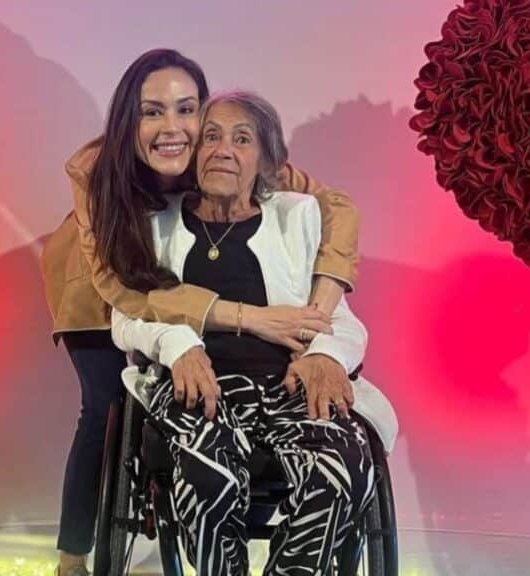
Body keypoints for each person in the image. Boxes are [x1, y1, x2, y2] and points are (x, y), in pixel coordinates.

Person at [40, 49, 361, 576]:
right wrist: (245, 319)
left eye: (187, 109)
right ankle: (72, 555)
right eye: (152, 111)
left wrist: (319, 318)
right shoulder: (96, 170)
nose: (173, 127)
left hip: (177, 288)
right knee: (105, 406)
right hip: (100, 280)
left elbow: (337, 207)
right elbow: (124, 291)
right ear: (129, 120)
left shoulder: (216, 144)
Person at [111, 90, 396, 575]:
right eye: (212, 137)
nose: (223, 150)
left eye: (242, 139)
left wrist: (326, 355)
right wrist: (178, 346)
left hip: (288, 383)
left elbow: (337, 317)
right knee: (210, 474)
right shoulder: (156, 224)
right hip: (199, 386)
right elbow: (127, 316)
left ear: (267, 161)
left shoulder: (296, 217)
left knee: (342, 467)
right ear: (194, 152)